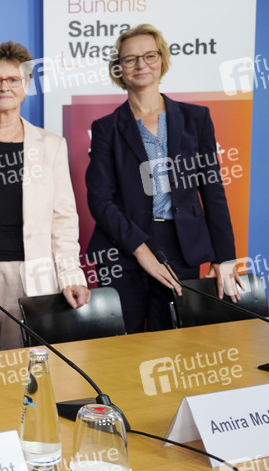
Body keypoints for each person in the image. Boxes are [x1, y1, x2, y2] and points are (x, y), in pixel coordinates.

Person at [86, 24, 238, 334]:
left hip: (183, 246)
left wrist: (225, 258)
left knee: (174, 342)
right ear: (118, 68)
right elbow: (100, 199)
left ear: (162, 60)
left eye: (149, 56)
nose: (140, 65)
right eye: (130, 59)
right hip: (123, 247)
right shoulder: (106, 128)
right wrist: (140, 250)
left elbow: (212, 189)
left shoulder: (196, 119)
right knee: (121, 345)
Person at [0, 41, 90, 354]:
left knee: (24, 366)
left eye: (13, 80)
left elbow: (63, 218)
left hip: (32, 273)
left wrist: (70, 274)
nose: (4, 87)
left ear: (26, 87)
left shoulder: (51, 145)